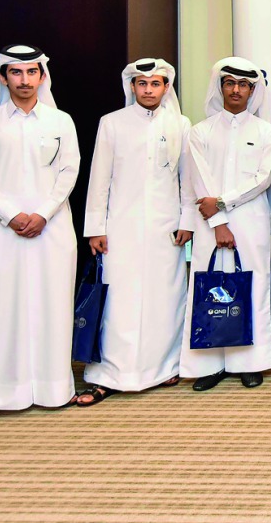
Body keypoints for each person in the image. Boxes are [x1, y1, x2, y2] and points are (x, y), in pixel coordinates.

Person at [0, 45, 80, 424]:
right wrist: (11, 214)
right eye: (16, 72)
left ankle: (54, 389)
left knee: (52, 307)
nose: (25, 80)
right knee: (0, 309)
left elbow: (69, 171)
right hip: (1, 231)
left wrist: (43, 213)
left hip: (52, 229)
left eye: (32, 72)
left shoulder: (60, 121)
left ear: (42, 77)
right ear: (3, 77)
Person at [77, 58, 193, 406]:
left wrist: (187, 220)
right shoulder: (112, 123)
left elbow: (187, 178)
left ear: (166, 87)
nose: (148, 90)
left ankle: (164, 367)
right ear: (132, 86)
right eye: (142, 83)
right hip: (120, 227)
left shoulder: (181, 124)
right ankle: (110, 375)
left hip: (166, 228)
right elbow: (99, 178)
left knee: (165, 298)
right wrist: (95, 228)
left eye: (155, 83)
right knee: (119, 301)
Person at [181, 57, 271, 391]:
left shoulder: (266, 132)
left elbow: (263, 179)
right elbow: (199, 180)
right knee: (209, 286)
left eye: (243, 85)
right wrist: (219, 221)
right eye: (230, 83)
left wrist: (223, 202)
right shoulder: (200, 131)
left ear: (253, 90)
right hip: (208, 223)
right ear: (220, 86)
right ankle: (210, 364)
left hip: (251, 220)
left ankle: (250, 363)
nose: (236, 90)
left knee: (251, 287)